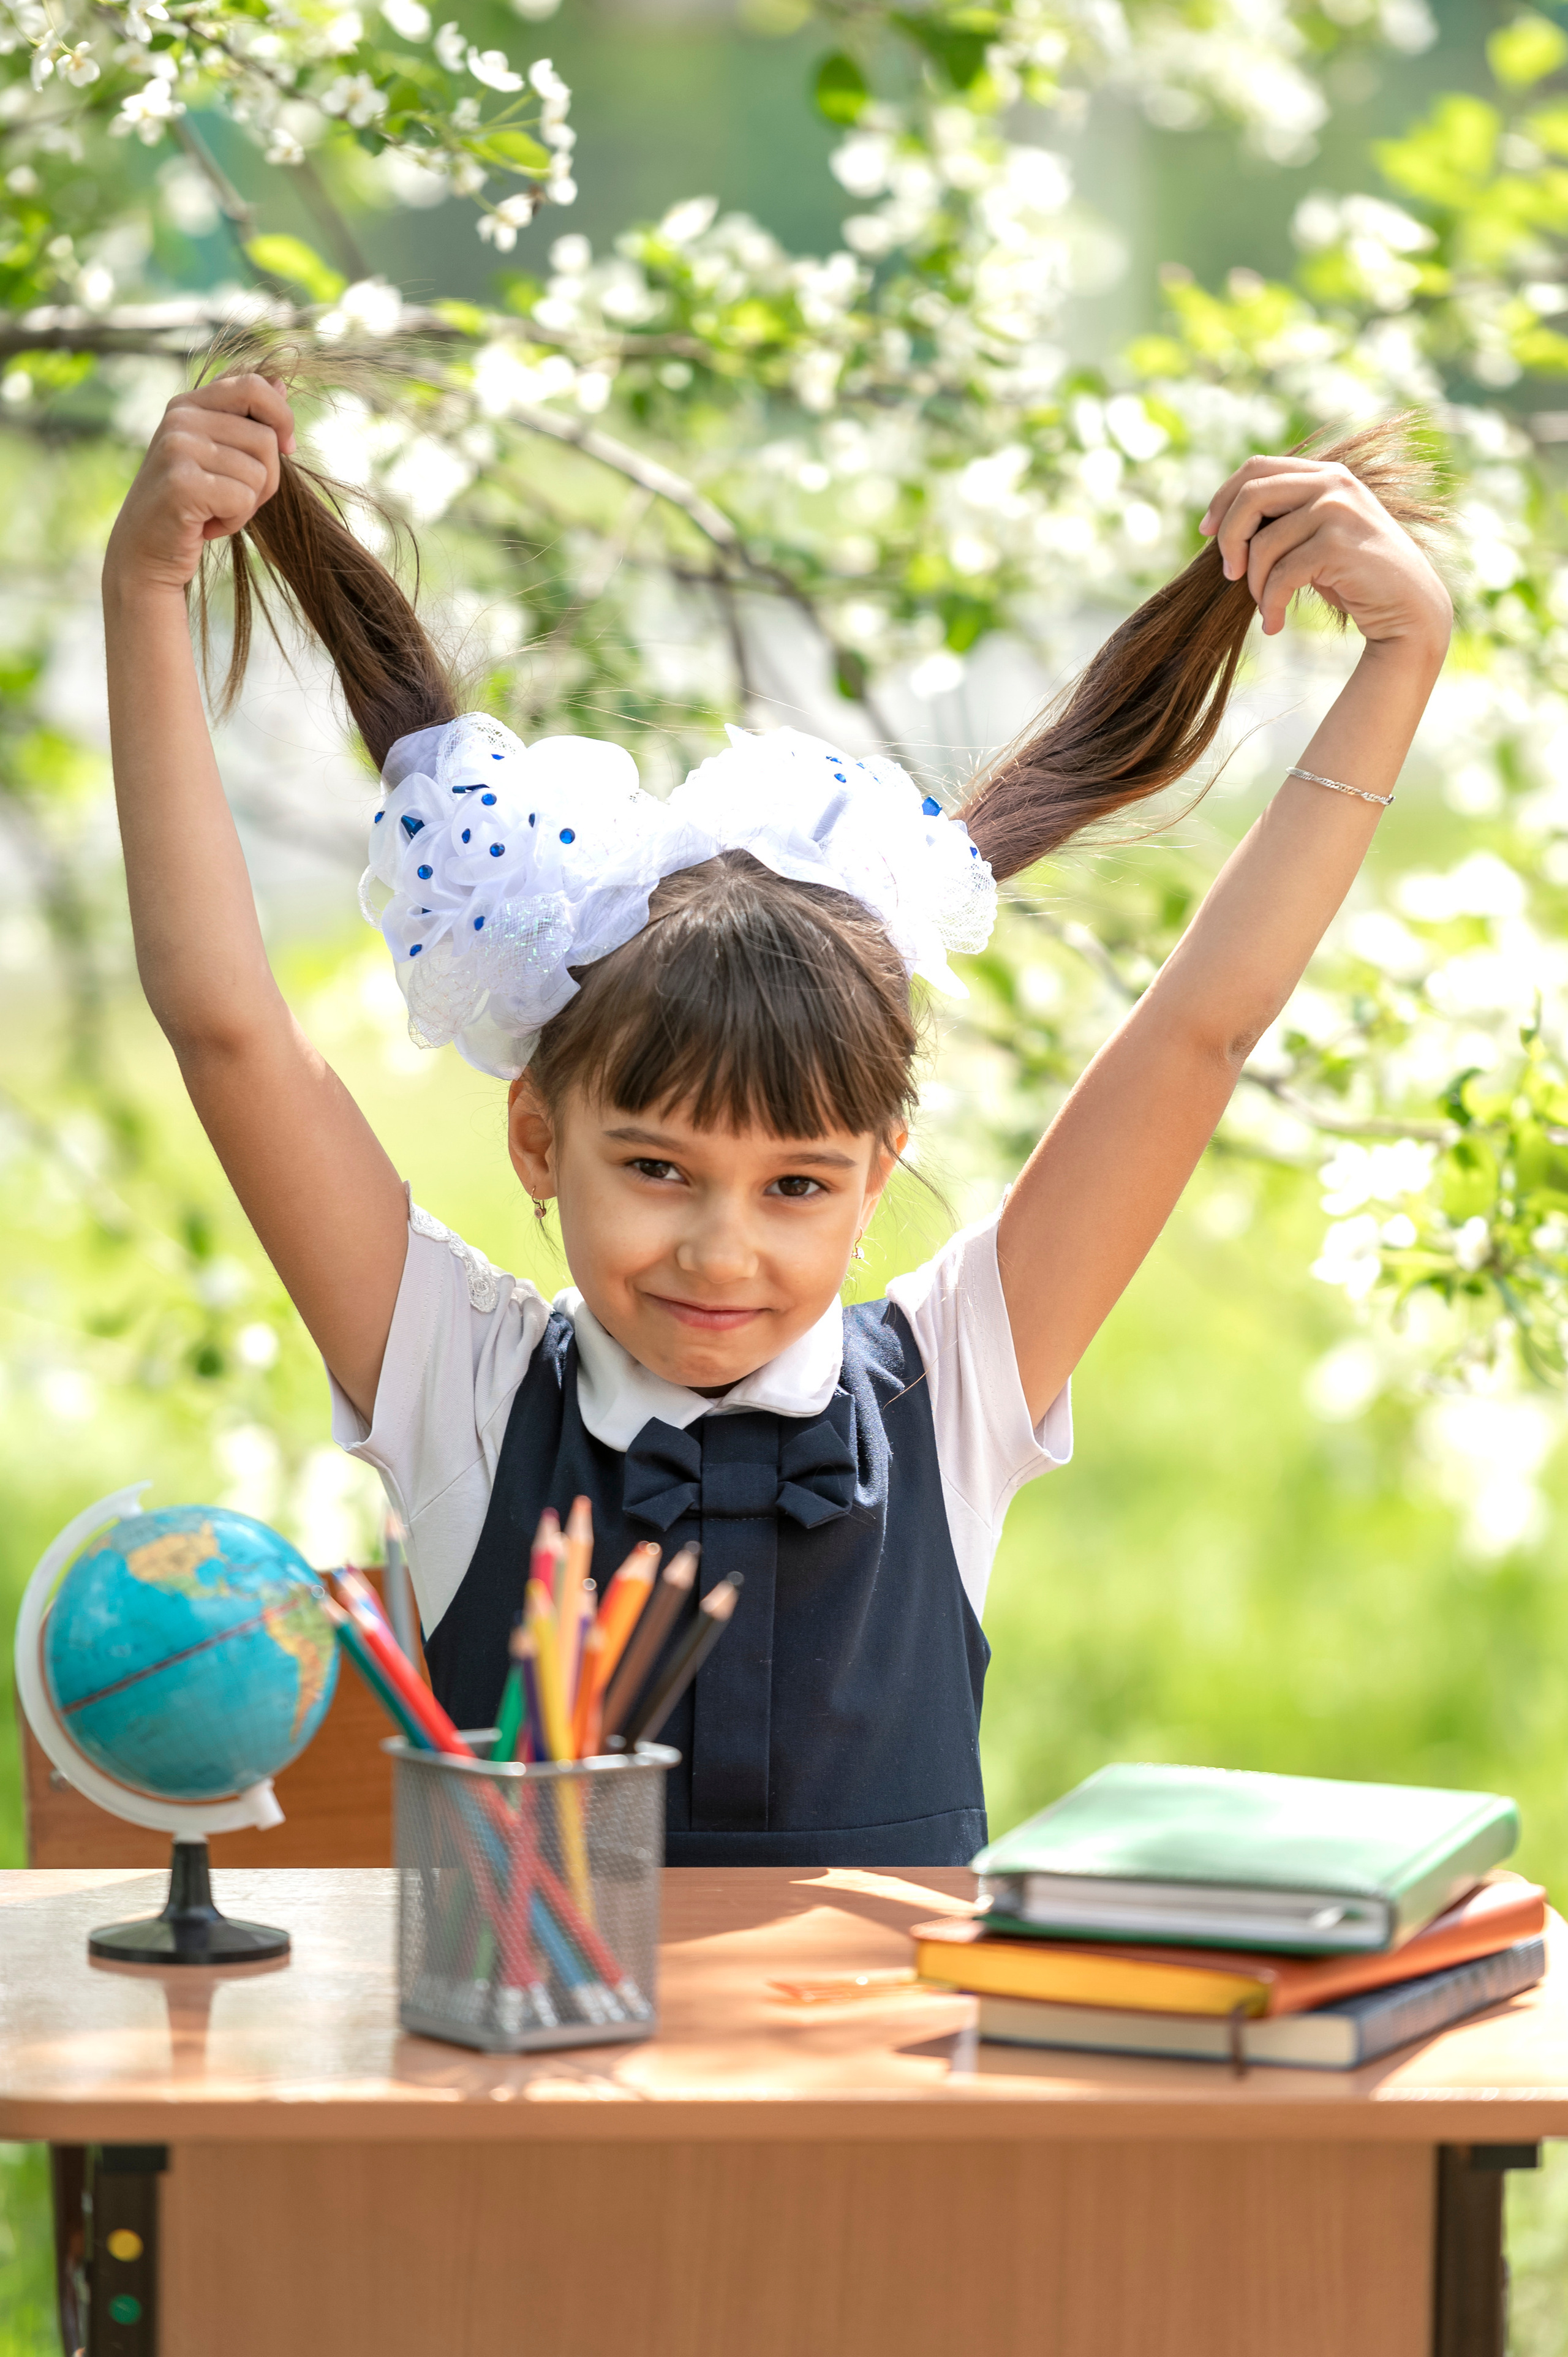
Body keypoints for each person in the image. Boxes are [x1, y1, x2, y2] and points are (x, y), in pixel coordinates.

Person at [102, 369, 1451, 1866]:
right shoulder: (461, 1388)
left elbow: (1201, 1035)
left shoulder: (953, 1384)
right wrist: (148, 592)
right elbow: (228, 1030)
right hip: (527, 2090)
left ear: (879, 1176)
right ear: (538, 1139)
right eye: (659, 1167)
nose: (719, 1250)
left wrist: (1400, 657)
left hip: (885, 2104)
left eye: (796, 1185)